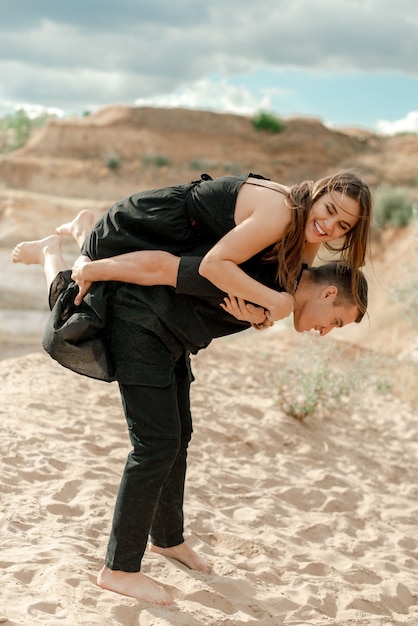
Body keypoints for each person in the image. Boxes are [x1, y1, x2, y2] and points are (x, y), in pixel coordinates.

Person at [11, 218, 368, 606]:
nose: (325, 330)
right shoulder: (265, 273)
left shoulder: (278, 286)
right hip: (141, 323)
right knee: (153, 442)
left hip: (171, 338)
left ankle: (167, 539)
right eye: (335, 321)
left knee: (178, 437)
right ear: (329, 293)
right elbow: (172, 266)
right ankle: (119, 568)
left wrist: (258, 316)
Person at [74, 171, 372, 319]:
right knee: (81, 285)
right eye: (330, 211)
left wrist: (260, 318)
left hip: (192, 237)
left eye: (342, 226)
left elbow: (284, 293)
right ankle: (80, 239)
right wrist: (271, 302)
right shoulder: (283, 212)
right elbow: (212, 266)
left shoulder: (308, 231)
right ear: (318, 195)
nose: (329, 227)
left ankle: (82, 232)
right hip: (156, 221)